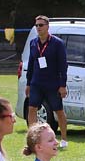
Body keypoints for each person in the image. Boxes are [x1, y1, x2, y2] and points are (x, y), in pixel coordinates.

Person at [24, 15, 69, 148]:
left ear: (47, 26)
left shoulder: (57, 43)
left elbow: (63, 65)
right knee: (32, 109)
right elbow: (31, 64)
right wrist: (28, 83)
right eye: (36, 25)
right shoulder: (33, 43)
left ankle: (64, 139)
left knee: (58, 110)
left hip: (52, 83)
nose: (38, 28)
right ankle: (32, 139)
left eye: (41, 25)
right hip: (36, 83)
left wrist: (62, 85)